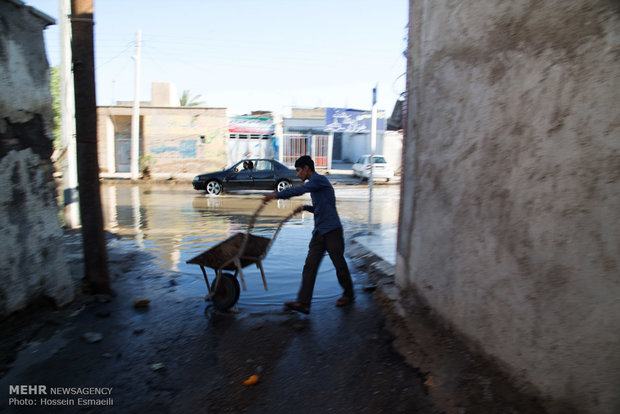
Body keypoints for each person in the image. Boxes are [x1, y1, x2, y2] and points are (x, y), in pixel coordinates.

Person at [263, 155, 354, 314]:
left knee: (339, 265)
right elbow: (321, 207)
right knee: (309, 267)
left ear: (306, 168)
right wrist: (306, 207)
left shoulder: (319, 180)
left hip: (332, 231)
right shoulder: (316, 185)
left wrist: (276, 195)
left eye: (298, 171)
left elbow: (298, 190)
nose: (297, 174)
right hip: (319, 233)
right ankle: (304, 303)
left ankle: (349, 294)